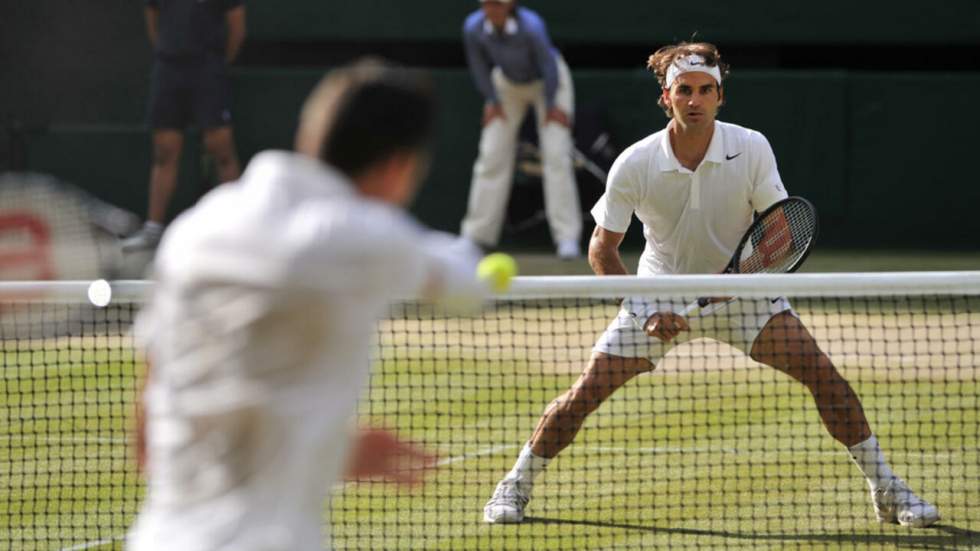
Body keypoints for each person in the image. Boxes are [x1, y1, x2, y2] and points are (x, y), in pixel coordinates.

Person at [483, 42, 940, 528]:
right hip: (658, 294)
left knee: (825, 378)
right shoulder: (635, 163)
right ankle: (514, 486)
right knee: (585, 395)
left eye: (706, 90)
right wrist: (647, 311)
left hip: (744, 294)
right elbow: (602, 249)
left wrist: (740, 281)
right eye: (685, 90)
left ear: (720, 96)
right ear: (666, 96)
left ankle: (887, 488)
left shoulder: (752, 146)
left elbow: (781, 231)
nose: (695, 99)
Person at [127, 60, 488, 551]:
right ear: (399, 167)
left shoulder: (194, 228)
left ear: (309, 134)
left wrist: (331, 450)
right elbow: (467, 284)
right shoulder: (363, 239)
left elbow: (149, 437)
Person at [460, 0, 583, 259]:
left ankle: (567, 238)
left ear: (509, 6)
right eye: (488, 4)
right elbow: (479, 65)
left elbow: (548, 66)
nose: (492, 9)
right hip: (507, 84)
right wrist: (492, 100)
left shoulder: (532, 27)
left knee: (556, 155)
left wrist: (552, 105)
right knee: (491, 154)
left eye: (498, 4)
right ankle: (476, 236)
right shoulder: (473, 27)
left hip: (548, 83)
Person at [122, 0, 247, 251]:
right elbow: (153, 22)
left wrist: (216, 63)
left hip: (209, 69)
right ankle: (153, 231)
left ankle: (239, 230)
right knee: (164, 150)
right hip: (169, 69)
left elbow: (237, 27)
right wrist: (171, 53)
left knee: (220, 147)